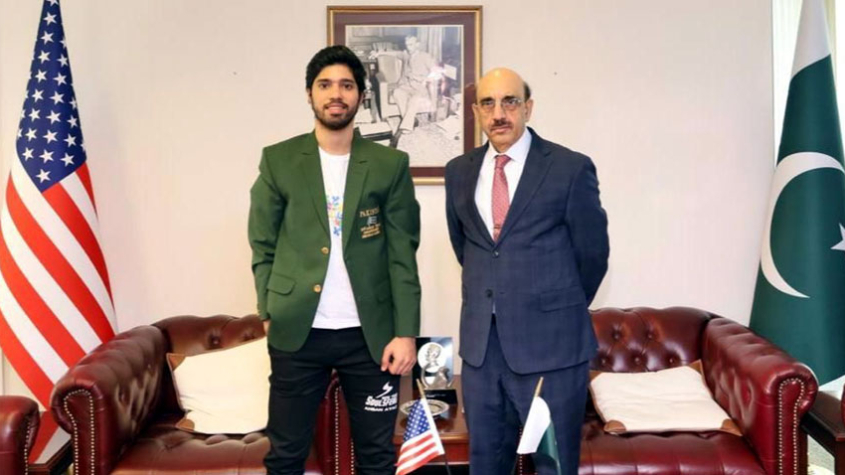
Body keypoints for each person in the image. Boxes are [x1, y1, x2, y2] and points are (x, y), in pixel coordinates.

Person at [248, 45, 421, 475]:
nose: (335, 94)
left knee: (377, 458)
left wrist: (406, 333)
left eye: (346, 85)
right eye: (325, 85)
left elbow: (402, 255)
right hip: (297, 332)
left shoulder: (389, 165)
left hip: (371, 337)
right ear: (310, 93)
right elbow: (262, 244)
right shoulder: (279, 160)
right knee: (285, 455)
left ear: (361, 94)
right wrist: (269, 311)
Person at [444, 68, 609, 475]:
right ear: (476, 112)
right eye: (488, 103)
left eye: (510, 102)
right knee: (486, 464)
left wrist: (553, 308)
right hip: (482, 351)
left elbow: (593, 254)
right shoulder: (459, 171)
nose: (498, 113)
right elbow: (467, 248)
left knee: (553, 464)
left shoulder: (569, 168)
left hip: (552, 348)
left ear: (528, 108)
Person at [371, 36, 440, 147]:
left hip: (419, 89)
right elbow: (393, 53)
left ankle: (400, 131)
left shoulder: (425, 57)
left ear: (418, 44)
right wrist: (378, 53)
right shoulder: (405, 54)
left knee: (414, 101)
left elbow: (437, 72)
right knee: (397, 93)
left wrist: (422, 79)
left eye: (411, 45)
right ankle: (411, 121)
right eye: (407, 45)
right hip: (405, 86)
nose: (408, 47)